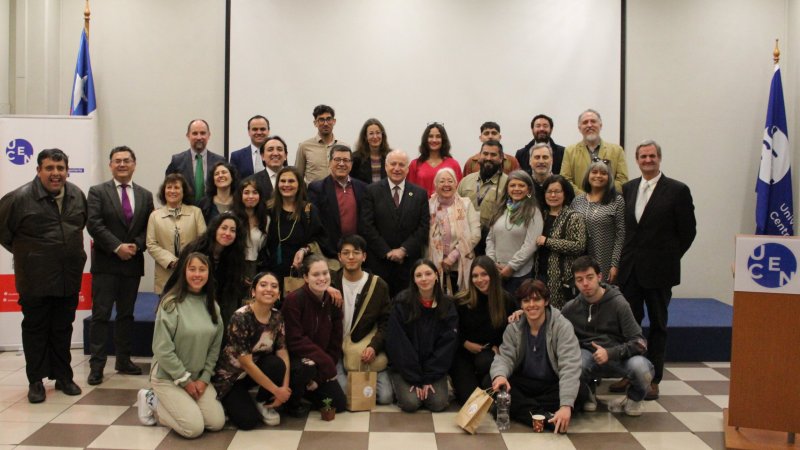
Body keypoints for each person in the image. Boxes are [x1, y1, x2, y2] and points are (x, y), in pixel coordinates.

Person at [0, 148, 87, 403]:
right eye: (49, 168)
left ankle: (63, 377)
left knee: (62, 328)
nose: (56, 173)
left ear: (67, 171)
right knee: (36, 329)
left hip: (67, 277)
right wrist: (29, 254)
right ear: (38, 170)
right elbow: (4, 234)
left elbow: (78, 226)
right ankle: (35, 381)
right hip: (34, 278)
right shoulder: (19, 198)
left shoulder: (77, 195)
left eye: (60, 168)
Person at [616, 140, 696, 400]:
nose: (647, 160)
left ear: (659, 158)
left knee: (658, 325)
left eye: (652, 156)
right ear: (637, 161)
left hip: (660, 271)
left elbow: (687, 232)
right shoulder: (628, 189)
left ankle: (654, 378)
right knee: (631, 325)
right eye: (643, 157)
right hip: (631, 271)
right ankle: (632, 373)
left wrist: (668, 257)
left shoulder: (677, 190)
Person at [87, 146, 155, 385]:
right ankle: (97, 366)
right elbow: (94, 224)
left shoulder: (146, 195)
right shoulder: (97, 192)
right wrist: (118, 247)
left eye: (127, 160)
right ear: (110, 165)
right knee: (101, 315)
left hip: (132, 264)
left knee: (126, 315)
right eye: (117, 161)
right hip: (106, 263)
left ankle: (123, 360)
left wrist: (135, 246)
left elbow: (150, 226)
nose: (122, 164)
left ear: (134, 164)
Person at [140, 252, 225, 438]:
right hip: (168, 376)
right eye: (192, 269)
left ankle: (183, 404)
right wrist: (185, 381)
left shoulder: (213, 306)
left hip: (197, 377)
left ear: (209, 274)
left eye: (202, 270)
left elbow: (214, 349)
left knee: (216, 423)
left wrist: (204, 379)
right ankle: (151, 400)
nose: (197, 274)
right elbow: (162, 350)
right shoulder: (170, 304)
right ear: (183, 272)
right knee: (193, 429)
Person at [560, 256, 653, 417]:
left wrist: (610, 353)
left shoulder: (619, 304)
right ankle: (587, 393)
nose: (585, 284)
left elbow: (640, 343)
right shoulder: (571, 308)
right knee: (574, 364)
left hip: (619, 356)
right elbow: (552, 324)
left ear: (599, 277)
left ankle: (634, 398)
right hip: (588, 356)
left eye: (589, 277)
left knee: (642, 369)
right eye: (579, 280)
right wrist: (522, 314)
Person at [490, 279, 582, 433]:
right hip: (526, 382)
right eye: (526, 301)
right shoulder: (514, 327)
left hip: (552, 383)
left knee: (580, 391)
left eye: (537, 299)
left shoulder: (562, 326)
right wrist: (500, 375)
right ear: (521, 305)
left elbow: (569, 366)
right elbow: (505, 357)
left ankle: (526, 411)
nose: (531, 305)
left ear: (546, 301)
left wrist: (566, 405)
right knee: (495, 384)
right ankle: (546, 417)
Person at [213, 272, 290, 429]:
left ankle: (262, 402)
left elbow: (282, 351)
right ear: (253, 292)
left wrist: (284, 389)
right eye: (263, 285)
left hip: (253, 372)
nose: (269, 289)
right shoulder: (241, 317)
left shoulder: (277, 317)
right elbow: (246, 363)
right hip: (231, 377)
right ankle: (229, 402)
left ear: (279, 294)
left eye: (274, 286)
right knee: (247, 422)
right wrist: (276, 390)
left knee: (277, 363)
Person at [386, 260, 458, 412]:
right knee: (410, 404)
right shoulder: (402, 302)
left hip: (433, 367)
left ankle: (443, 382)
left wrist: (429, 377)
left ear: (436, 276)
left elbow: (447, 345)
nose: (424, 279)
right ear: (413, 279)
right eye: (418, 275)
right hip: (406, 367)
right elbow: (398, 344)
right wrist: (414, 377)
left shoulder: (447, 305)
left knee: (438, 404)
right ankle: (397, 383)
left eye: (428, 274)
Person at [331, 235, 393, 405]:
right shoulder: (330, 282)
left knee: (385, 397)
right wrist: (327, 288)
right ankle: (345, 373)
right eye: (346, 253)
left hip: (363, 348)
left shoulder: (378, 285)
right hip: (336, 349)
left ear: (364, 256)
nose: (351, 257)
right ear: (339, 257)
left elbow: (386, 322)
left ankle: (381, 373)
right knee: (345, 396)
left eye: (356, 252)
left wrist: (374, 347)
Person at [282, 254, 347, 416]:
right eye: (316, 274)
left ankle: (308, 388)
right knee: (307, 366)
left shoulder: (334, 301)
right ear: (305, 277)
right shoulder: (293, 300)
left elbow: (335, 341)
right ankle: (292, 402)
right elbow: (295, 340)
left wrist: (319, 379)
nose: (322, 278)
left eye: (325, 273)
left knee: (338, 404)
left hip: (320, 363)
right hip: (297, 360)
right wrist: (326, 363)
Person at [360, 149, 430, 296]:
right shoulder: (371, 191)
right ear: (386, 167)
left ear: (407, 169)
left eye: (401, 165)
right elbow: (367, 225)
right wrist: (387, 252)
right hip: (379, 262)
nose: (397, 168)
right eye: (393, 164)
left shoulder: (420, 194)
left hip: (409, 263)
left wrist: (403, 250)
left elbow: (423, 227)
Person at [450, 256, 515, 405]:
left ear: (493, 275)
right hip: (463, 352)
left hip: (488, 354)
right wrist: (465, 343)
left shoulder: (506, 300)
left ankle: (483, 381)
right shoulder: (461, 301)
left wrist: (498, 345)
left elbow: (511, 330)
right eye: (475, 276)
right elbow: (450, 330)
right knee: (469, 401)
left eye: (484, 274)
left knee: (487, 369)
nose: (479, 279)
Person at [165, 212, 247, 328]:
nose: (227, 233)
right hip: (191, 302)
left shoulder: (236, 256)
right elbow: (178, 279)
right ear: (215, 229)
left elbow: (230, 291)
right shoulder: (195, 249)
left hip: (219, 307)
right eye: (223, 228)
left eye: (233, 230)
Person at [264, 166, 334, 286]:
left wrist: (304, 250)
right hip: (271, 274)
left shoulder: (309, 210)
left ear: (299, 185)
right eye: (282, 181)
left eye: (291, 181)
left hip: (300, 274)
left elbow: (320, 240)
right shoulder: (268, 210)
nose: (286, 184)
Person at [146, 174, 207, 295]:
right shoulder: (155, 216)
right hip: (165, 273)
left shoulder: (196, 212)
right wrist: (172, 261)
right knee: (166, 310)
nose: (172, 191)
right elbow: (151, 244)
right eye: (169, 187)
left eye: (177, 187)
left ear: (184, 192)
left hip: (192, 271)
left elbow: (203, 240)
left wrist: (188, 261)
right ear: (164, 191)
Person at [485, 170, 544, 294]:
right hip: (496, 272)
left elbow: (530, 245)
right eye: (512, 185)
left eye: (521, 185)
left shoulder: (533, 212)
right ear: (507, 188)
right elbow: (490, 239)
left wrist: (511, 267)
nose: (516, 189)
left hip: (520, 275)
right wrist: (492, 263)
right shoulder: (500, 209)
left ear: (529, 190)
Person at [533, 175, 587, 308]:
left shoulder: (574, 217)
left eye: (557, 191)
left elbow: (579, 245)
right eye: (549, 191)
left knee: (561, 316)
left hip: (563, 278)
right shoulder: (540, 215)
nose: (552, 195)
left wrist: (548, 242)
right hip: (539, 274)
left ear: (565, 193)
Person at [308, 145, 368, 258]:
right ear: (330, 162)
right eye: (337, 160)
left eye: (346, 160)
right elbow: (315, 225)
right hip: (329, 254)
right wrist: (330, 250)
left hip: (357, 252)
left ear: (351, 164)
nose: (341, 164)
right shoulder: (317, 189)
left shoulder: (363, 188)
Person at [571, 160, 625, 284]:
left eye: (603, 173)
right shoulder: (577, 200)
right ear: (588, 175)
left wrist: (614, 264)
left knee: (604, 295)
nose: (598, 176)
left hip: (605, 260)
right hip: (580, 259)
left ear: (609, 177)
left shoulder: (617, 201)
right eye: (594, 172)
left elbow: (620, 235)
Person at [427, 168, 480, 294]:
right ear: (435, 185)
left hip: (460, 264)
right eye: (442, 181)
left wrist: (453, 256)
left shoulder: (466, 204)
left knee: (461, 302)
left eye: (450, 181)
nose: (446, 184)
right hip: (434, 265)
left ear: (456, 184)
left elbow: (475, 234)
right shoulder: (428, 206)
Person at [456, 139, 508, 256]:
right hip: (467, 241)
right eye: (485, 154)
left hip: (494, 243)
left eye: (493, 155)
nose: (488, 158)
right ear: (479, 156)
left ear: (501, 159)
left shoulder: (508, 183)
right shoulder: (466, 181)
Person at [561, 109, 628, 194]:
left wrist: (602, 195)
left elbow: (622, 179)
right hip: (579, 204)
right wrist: (584, 198)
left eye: (593, 121)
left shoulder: (617, 150)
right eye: (585, 122)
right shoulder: (570, 151)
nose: (589, 125)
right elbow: (565, 180)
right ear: (579, 128)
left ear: (600, 125)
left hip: (609, 202)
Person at [165, 119, 226, 204]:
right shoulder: (177, 161)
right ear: (188, 136)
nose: (199, 137)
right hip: (185, 212)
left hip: (211, 212)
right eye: (195, 133)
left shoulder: (220, 161)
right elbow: (168, 188)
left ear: (209, 135)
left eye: (203, 133)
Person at [296, 104, 348, 184]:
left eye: (328, 119)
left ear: (334, 121)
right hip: (313, 195)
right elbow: (298, 177)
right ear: (315, 123)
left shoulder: (344, 148)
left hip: (338, 195)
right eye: (321, 120)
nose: (325, 123)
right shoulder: (304, 147)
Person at [407, 122, 463, 196]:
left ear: (443, 140)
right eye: (430, 136)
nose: (434, 140)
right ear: (425, 139)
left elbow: (459, 192)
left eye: (438, 136)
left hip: (447, 207)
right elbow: (409, 191)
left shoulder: (453, 165)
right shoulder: (415, 164)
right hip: (421, 206)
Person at [231, 178, 269, 282]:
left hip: (258, 267)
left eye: (255, 192)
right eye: (246, 193)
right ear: (240, 196)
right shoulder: (230, 217)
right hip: (233, 267)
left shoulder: (266, 219)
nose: (251, 196)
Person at [248, 135, 289, 201]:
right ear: (262, 156)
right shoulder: (252, 181)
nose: (275, 153)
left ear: (285, 155)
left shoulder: (297, 180)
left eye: (279, 149)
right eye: (270, 150)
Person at [351, 118, 391, 184]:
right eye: (371, 133)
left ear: (382, 135)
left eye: (378, 133)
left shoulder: (390, 156)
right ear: (365, 137)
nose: (375, 137)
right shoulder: (356, 158)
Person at [528, 143, 554, 207]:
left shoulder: (561, 185)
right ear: (530, 161)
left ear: (552, 161)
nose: (541, 161)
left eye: (545, 157)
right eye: (537, 157)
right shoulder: (524, 184)